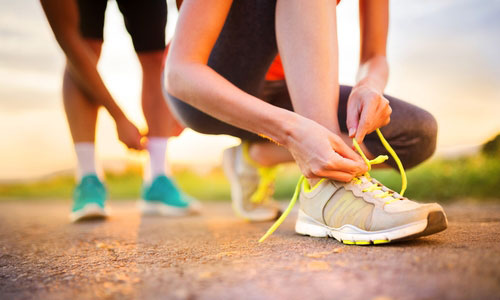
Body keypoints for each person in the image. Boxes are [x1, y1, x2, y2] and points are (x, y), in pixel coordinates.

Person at [165, 0, 448, 244]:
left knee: (418, 133)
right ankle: (327, 187)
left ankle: (256, 156)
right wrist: (292, 133)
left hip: (292, 90)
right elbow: (180, 73)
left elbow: (375, 56)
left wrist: (369, 85)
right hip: (210, 88)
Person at [40, 0, 198, 222]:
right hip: (78, 41)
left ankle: (158, 178)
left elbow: (191, 21)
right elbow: (69, 41)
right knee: (86, 46)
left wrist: (184, 105)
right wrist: (119, 117)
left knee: (155, 53)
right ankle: (88, 177)